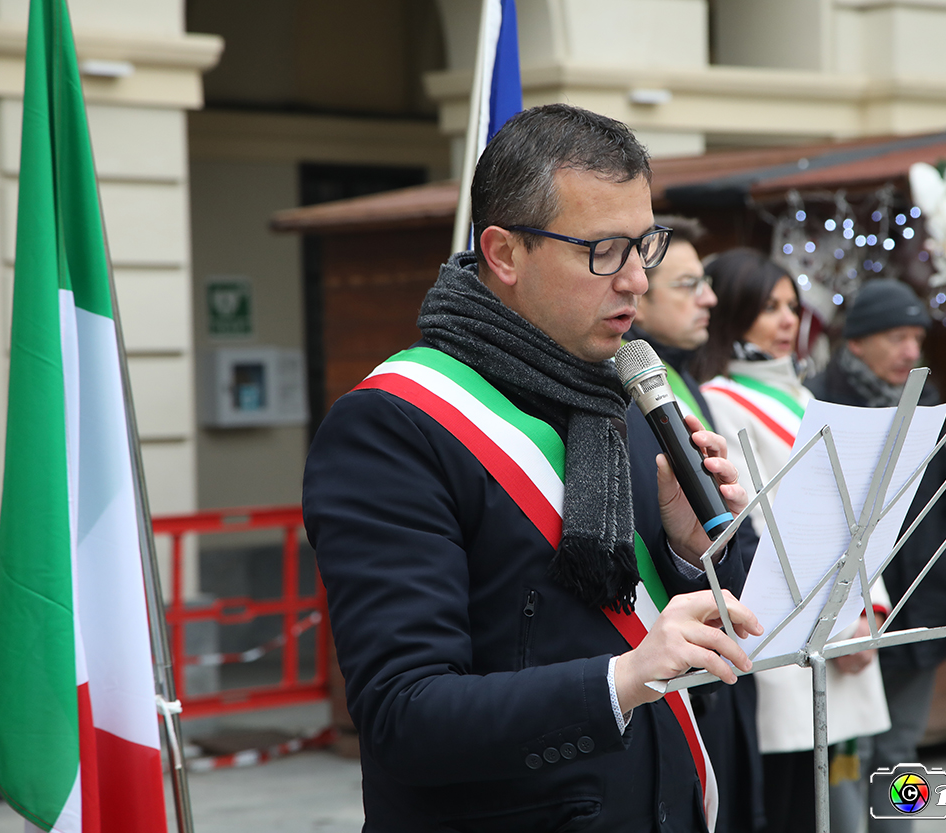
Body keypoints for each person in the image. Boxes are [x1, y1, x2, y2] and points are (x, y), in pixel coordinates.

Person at [302, 104, 763, 832]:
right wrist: (621, 679)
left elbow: (707, 639)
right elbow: (404, 714)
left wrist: (688, 547)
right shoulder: (394, 423)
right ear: (505, 253)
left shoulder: (623, 394)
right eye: (605, 249)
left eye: (644, 243)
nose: (637, 280)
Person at [693, 249, 891, 833]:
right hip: (784, 627)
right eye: (768, 306)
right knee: (793, 804)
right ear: (731, 311)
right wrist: (834, 622)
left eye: (791, 306)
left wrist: (869, 610)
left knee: (838, 796)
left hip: (846, 619)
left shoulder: (805, 395)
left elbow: (854, 516)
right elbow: (756, 527)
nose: (787, 320)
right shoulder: (715, 398)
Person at [803, 278, 946, 832]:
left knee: (902, 757)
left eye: (916, 337)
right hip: (850, 625)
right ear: (855, 342)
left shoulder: (924, 405)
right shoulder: (821, 406)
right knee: (845, 761)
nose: (910, 352)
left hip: (917, 616)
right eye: (896, 337)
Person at [626, 219, 766, 832]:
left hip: (721, 656)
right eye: (687, 284)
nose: (707, 299)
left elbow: (696, 534)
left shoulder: (669, 385)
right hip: (653, 681)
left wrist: (700, 548)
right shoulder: (622, 393)